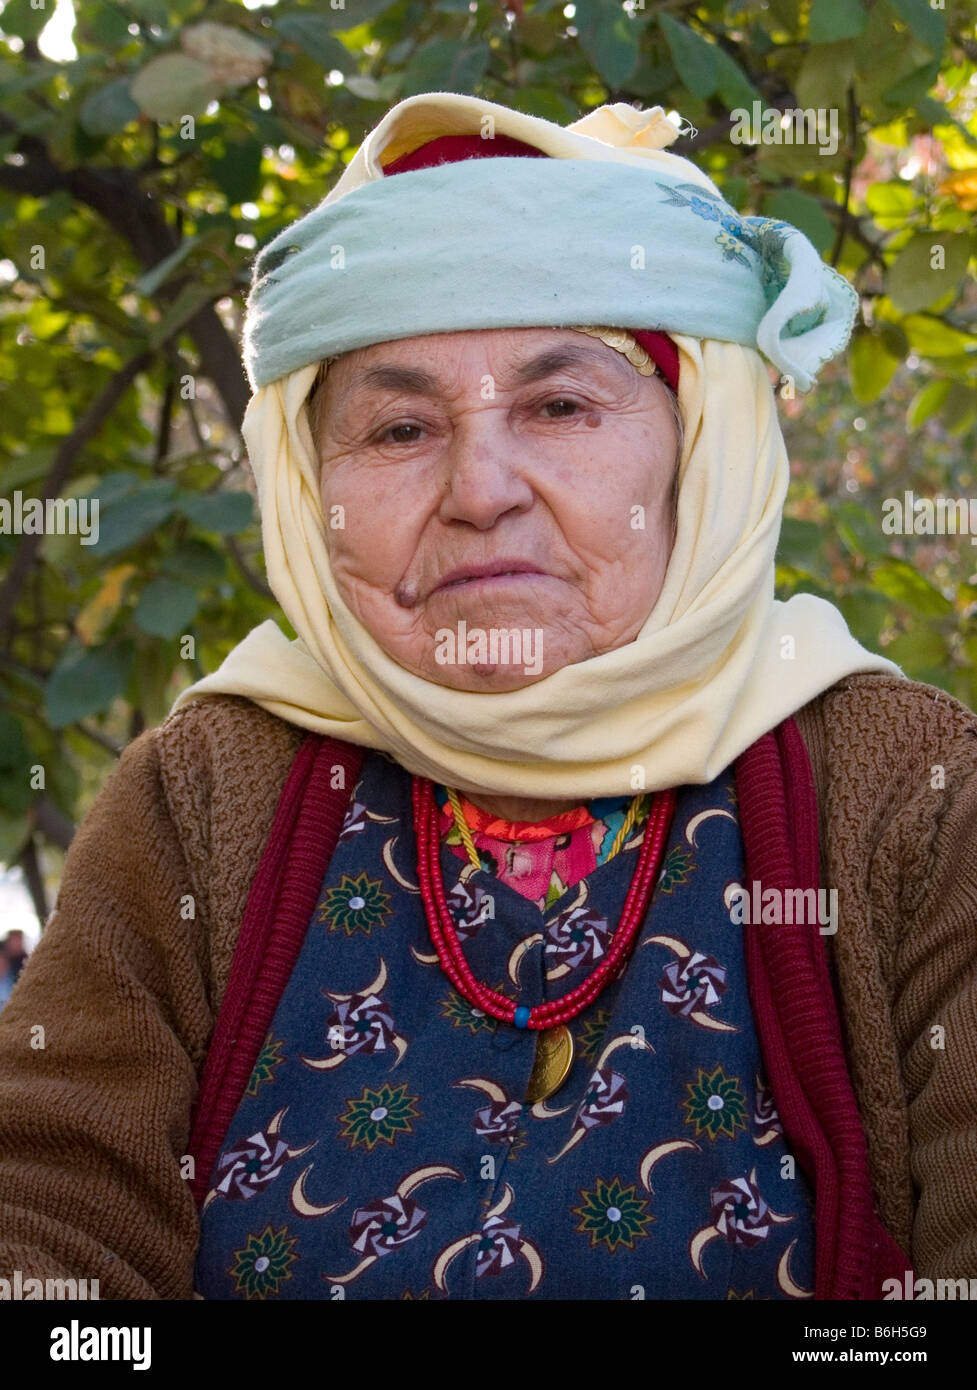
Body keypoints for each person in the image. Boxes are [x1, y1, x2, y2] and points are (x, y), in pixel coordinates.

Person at [1, 92, 976, 1302]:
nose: (480, 489)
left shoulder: (910, 788)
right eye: (399, 427)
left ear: (699, 446)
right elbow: (47, 1204)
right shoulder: (200, 792)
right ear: (312, 495)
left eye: (560, 406)